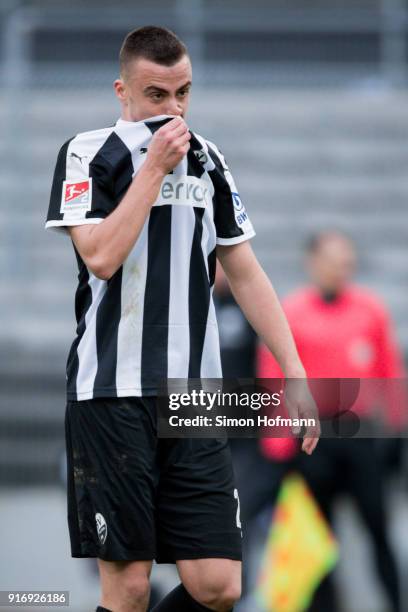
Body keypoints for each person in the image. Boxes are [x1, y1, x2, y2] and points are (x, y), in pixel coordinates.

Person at [45, 26, 319, 612]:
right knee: (129, 586)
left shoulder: (208, 160)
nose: (172, 110)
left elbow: (244, 272)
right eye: (156, 95)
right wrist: (151, 171)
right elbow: (100, 256)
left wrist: (293, 367)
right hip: (110, 394)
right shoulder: (86, 152)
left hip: (194, 397)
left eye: (183, 94)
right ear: (123, 92)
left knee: (219, 586)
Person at [258, 230, 407, 612]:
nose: (342, 268)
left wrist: (397, 433)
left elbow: (389, 370)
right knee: (316, 539)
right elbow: (274, 377)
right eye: (334, 260)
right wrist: (278, 444)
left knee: (378, 530)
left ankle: (395, 602)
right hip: (313, 439)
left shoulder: (370, 310)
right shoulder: (291, 312)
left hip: (360, 437)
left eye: (347, 261)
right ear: (314, 262)